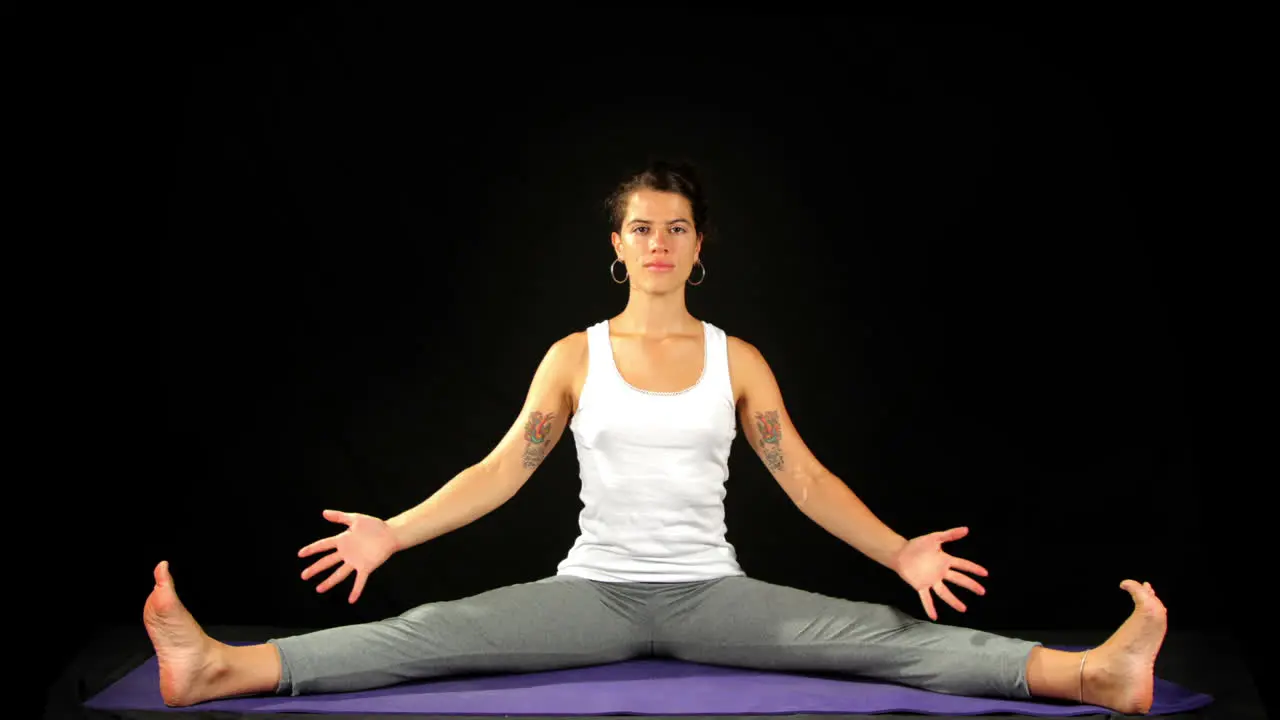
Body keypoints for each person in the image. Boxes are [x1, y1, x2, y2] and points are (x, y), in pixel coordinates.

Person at [142, 161, 1167, 714]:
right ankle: (218, 670)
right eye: (641, 226)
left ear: (698, 246)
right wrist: (391, 535)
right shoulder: (574, 356)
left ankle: (1090, 676)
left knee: (884, 643)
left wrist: (898, 551)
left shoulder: (738, 360)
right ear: (615, 246)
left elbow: (801, 478)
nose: (659, 242)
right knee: (428, 639)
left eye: (676, 226)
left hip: (715, 596)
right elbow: (502, 468)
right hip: (587, 594)